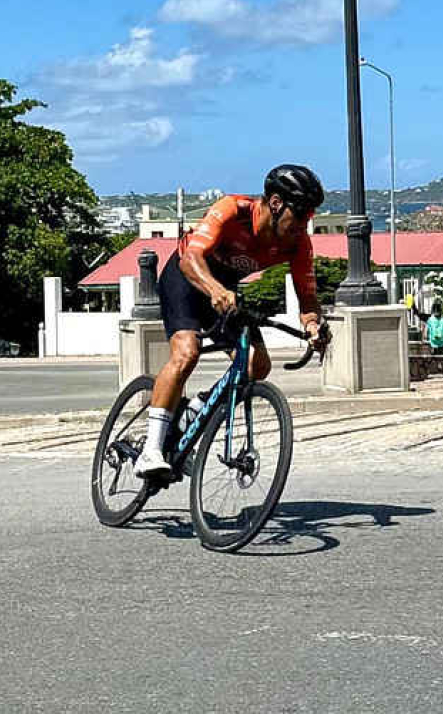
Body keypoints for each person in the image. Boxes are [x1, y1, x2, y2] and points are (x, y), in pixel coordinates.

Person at [136, 164, 329, 479]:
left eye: (311, 217)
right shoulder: (232, 209)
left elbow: (308, 300)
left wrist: (312, 326)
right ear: (277, 203)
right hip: (188, 277)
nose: (305, 224)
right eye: (302, 214)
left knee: (257, 365)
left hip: (226, 291)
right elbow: (191, 258)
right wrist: (214, 290)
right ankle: (150, 451)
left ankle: (193, 412)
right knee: (187, 352)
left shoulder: (296, 244)